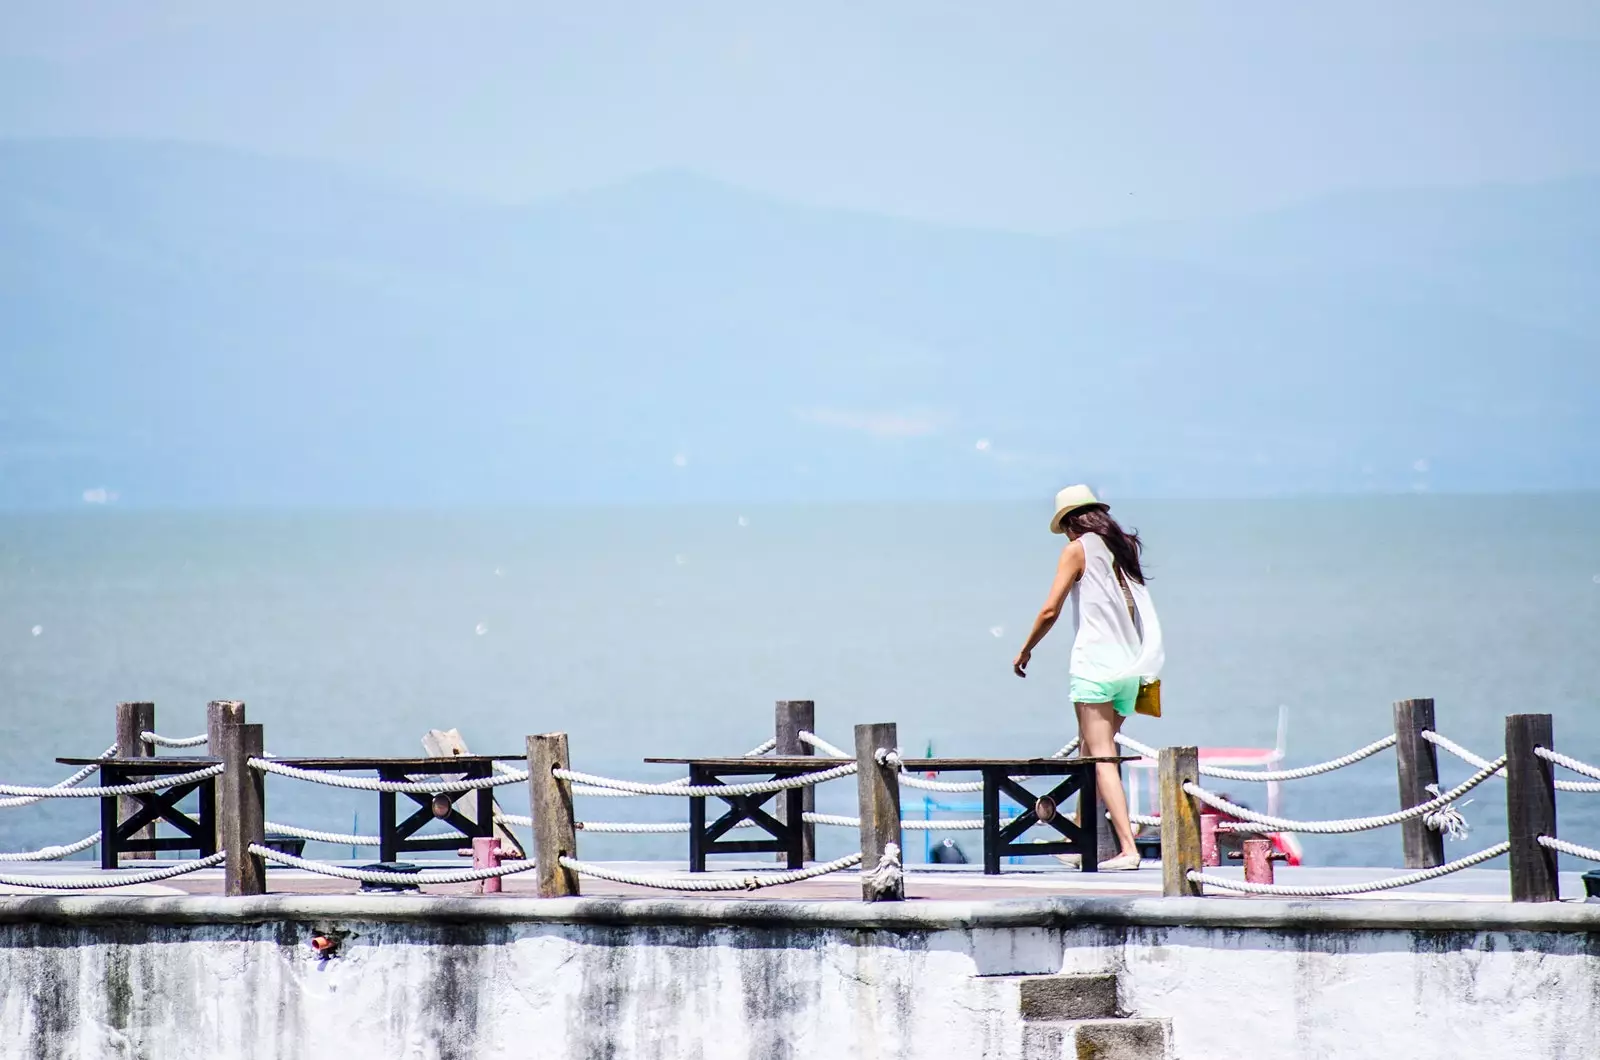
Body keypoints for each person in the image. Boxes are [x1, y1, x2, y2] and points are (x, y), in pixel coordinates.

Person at [1012, 485, 1164, 871]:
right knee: (1090, 752)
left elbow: (1050, 609)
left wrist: (1026, 648)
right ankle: (1080, 841)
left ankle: (1128, 849)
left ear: (1069, 522)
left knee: (1100, 757)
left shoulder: (1077, 549)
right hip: (1135, 666)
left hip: (1095, 665)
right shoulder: (1123, 547)